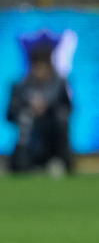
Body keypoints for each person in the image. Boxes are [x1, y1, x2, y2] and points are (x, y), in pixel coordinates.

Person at [6, 41, 74, 174]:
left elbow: (68, 108)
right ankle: (22, 164)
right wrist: (28, 110)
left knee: (61, 119)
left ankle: (59, 160)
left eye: (44, 67)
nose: (40, 72)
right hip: (29, 136)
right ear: (31, 67)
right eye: (37, 67)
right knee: (25, 119)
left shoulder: (59, 85)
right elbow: (9, 115)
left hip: (52, 134)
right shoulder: (20, 87)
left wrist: (48, 108)